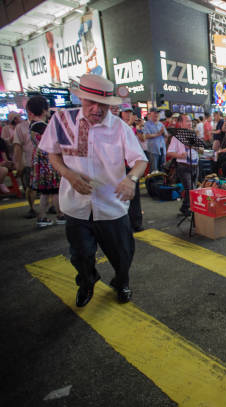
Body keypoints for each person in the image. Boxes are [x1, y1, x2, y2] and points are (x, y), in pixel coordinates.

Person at [40, 74, 148, 307]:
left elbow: (140, 160)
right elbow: (53, 154)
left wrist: (131, 179)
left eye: (103, 105)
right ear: (80, 99)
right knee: (80, 254)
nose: (97, 109)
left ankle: (121, 282)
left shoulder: (119, 127)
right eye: (91, 103)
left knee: (122, 254)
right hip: (76, 205)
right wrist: (68, 174)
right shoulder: (62, 121)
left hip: (112, 205)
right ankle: (87, 282)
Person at [27, 96, 64, 228]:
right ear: (44, 110)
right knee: (55, 190)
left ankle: (42, 217)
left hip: (40, 161)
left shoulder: (33, 124)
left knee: (45, 192)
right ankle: (60, 215)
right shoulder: (41, 126)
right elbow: (55, 142)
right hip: (48, 161)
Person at [167, 114, 199, 216]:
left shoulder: (193, 134)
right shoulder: (176, 137)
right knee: (189, 189)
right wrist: (180, 155)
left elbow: (198, 149)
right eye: (187, 121)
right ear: (180, 123)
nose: (190, 123)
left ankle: (185, 208)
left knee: (193, 189)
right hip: (183, 166)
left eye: (190, 121)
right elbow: (169, 152)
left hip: (195, 164)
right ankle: (186, 209)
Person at [120, 105, 144, 231]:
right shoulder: (117, 127)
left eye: (130, 113)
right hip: (119, 166)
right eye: (126, 112)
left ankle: (136, 222)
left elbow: (142, 140)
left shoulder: (134, 128)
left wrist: (139, 128)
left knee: (134, 195)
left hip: (133, 165)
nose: (128, 115)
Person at [13, 110, 36, 218]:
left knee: (50, 187)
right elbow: (17, 147)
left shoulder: (48, 124)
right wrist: (19, 164)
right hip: (28, 162)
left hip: (46, 162)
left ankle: (52, 207)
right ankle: (32, 208)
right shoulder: (21, 127)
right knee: (30, 187)